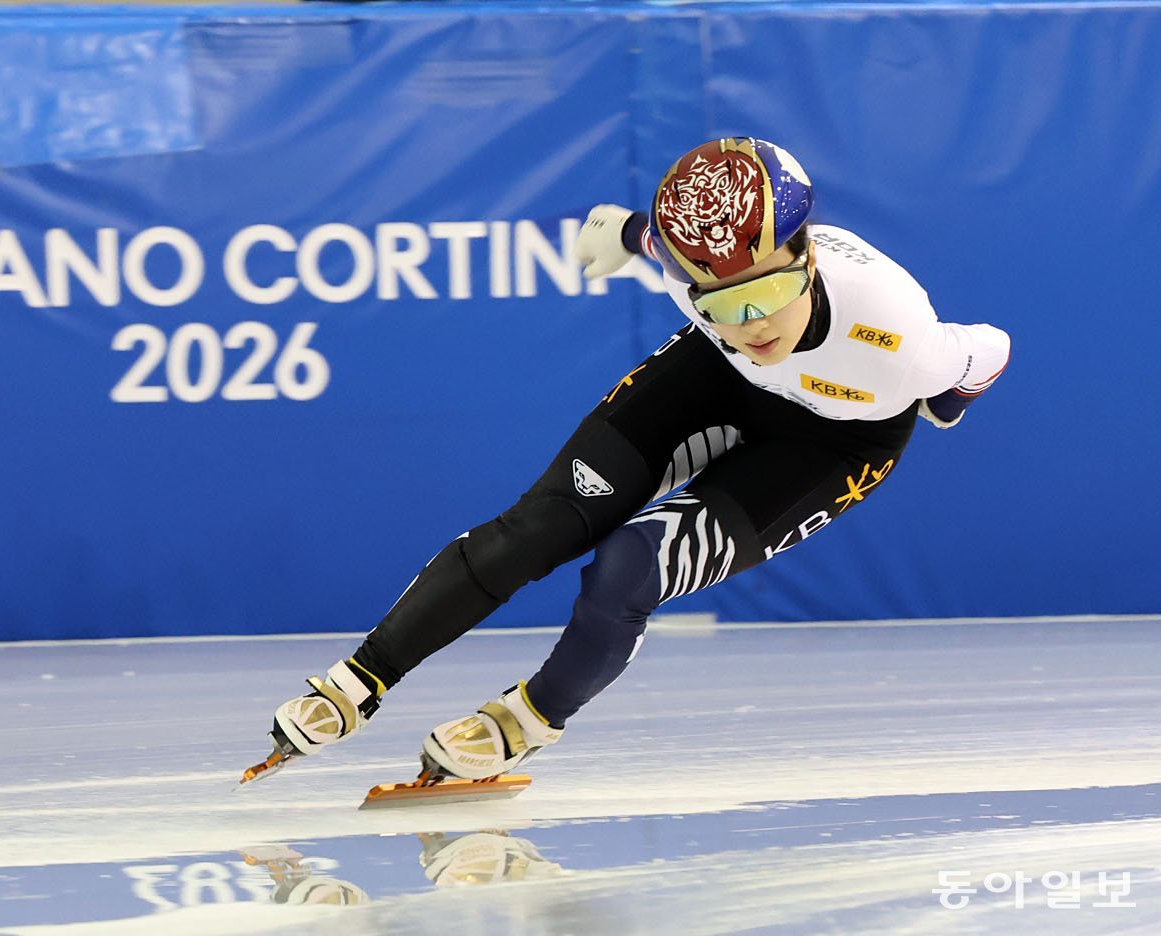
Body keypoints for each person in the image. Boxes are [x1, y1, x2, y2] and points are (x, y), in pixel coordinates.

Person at [252, 137, 1011, 783]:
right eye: (716, 301)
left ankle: (531, 718)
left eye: (767, 290)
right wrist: (616, 237)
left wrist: (949, 400)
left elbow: (989, 351)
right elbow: (645, 234)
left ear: (807, 254)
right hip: (718, 382)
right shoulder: (690, 264)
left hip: (835, 440)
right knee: (540, 527)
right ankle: (359, 680)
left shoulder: (901, 340)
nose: (750, 323)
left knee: (631, 564)